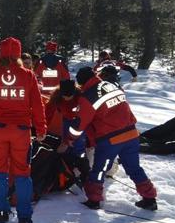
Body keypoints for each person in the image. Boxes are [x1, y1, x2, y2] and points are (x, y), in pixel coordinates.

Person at [0, 37, 46, 223]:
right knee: (22, 172)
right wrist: (41, 129)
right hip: (20, 131)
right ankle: (24, 215)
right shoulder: (28, 75)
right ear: (18, 54)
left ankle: (1, 210)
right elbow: (38, 106)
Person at [69, 67, 157, 210]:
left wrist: (71, 137)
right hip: (131, 134)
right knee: (134, 168)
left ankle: (94, 200)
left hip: (110, 139)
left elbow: (80, 124)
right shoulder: (111, 85)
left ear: (82, 82)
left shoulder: (88, 96)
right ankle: (150, 198)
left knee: (99, 170)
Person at [45, 80, 89, 185]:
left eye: (69, 96)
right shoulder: (56, 96)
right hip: (66, 121)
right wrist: (44, 128)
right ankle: (67, 171)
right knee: (66, 148)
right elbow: (48, 113)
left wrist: (68, 140)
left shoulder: (81, 97)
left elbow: (85, 118)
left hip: (79, 122)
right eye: (64, 96)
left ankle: (84, 175)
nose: (67, 98)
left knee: (78, 149)